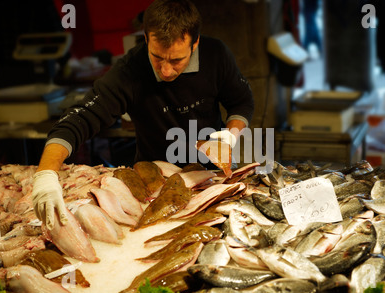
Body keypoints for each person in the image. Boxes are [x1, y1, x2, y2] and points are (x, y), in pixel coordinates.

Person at [32, 0, 254, 229]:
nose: (166, 70)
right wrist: (46, 175)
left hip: (212, 175)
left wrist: (229, 136)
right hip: (153, 183)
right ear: (146, 38)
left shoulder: (216, 55)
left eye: (177, 60)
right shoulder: (129, 70)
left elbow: (241, 102)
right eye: (157, 57)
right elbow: (79, 118)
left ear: (195, 43)